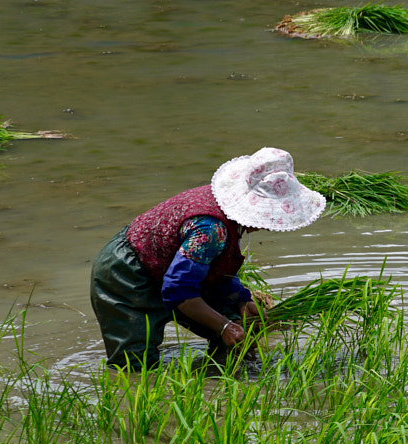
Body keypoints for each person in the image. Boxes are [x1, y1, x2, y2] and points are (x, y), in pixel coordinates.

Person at [89, 147, 327, 370]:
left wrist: (243, 299)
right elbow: (177, 289)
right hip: (126, 275)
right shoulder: (211, 230)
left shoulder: (227, 217)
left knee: (239, 332)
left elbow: (214, 269)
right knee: (133, 366)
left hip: (170, 267)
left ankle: (215, 385)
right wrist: (222, 325)